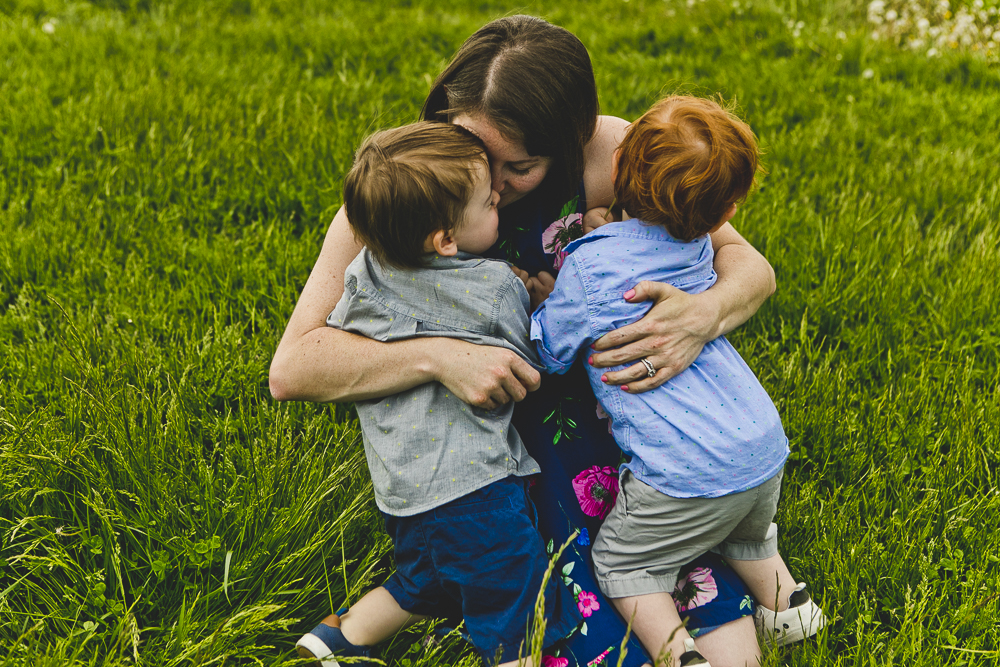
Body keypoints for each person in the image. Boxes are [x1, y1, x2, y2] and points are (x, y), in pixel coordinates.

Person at [270, 15, 778, 667]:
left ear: (570, 145)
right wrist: (439, 356)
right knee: (574, 619)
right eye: (469, 145)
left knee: (731, 647)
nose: (489, 178)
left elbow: (748, 265)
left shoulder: (614, 155)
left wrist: (701, 314)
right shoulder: (410, 188)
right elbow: (294, 365)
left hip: (614, 409)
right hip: (488, 442)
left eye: (520, 167)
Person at [530, 95, 827, 667]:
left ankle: (677, 652)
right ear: (724, 215)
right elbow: (648, 247)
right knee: (744, 532)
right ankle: (791, 608)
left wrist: (542, 304)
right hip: (760, 445)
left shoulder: (589, 268)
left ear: (616, 170)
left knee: (622, 561)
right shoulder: (697, 248)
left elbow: (548, 352)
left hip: (685, 471)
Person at [295, 122, 581, 667]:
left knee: (425, 579)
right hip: (477, 491)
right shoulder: (496, 287)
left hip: (404, 494)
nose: (500, 194)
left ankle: (341, 638)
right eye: (487, 201)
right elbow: (532, 362)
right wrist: (538, 300)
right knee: (516, 603)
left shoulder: (363, 274)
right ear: (445, 240)